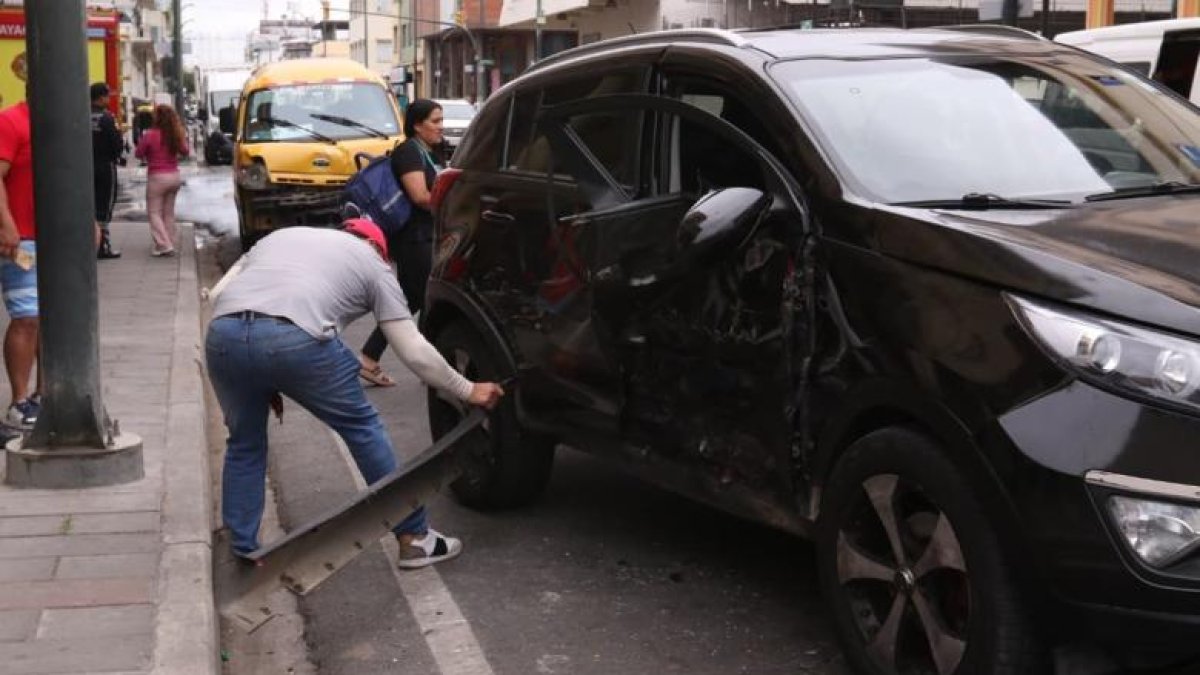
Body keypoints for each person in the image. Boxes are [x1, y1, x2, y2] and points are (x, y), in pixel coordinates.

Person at [205, 221, 504, 566]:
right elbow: (413, 350)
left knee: (244, 444)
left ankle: (242, 553)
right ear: (378, 249)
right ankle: (414, 537)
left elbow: (217, 294)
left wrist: (256, 365)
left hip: (224, 336)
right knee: (363, 427)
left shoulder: (280, 236)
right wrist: (468, 389)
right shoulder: (373, 265)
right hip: (293, 337)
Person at [358, 99, 444, 387]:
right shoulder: (409, 152)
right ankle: (427, 365)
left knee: (412, 299)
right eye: (435, 121)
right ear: (418, 125)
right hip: (413, 238)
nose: (441, 127)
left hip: (426, 236)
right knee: (421, 298)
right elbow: (420, 196)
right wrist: (453, 202)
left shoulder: (428, 151)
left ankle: (372, 358)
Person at [0, 100, 39, 430]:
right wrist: (7, 224)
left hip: (58, 242)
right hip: (21, 239)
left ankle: (45, 393)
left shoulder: (63, 123)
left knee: (51, 320)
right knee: (27, 316)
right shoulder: (11, 122)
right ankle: (19, 400)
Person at [135, 104, 189, 257]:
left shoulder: (150, 135)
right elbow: (185, 151)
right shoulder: (175, 134)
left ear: (157, 118)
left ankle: (164, 245)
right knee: (168, 213)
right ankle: (169, 241)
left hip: (157, 177)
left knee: (154, 213)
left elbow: (138, 153)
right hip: (174, 176)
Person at [91, 82, 123, 260]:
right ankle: (103, 245)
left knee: (89, 205)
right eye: (107, 96)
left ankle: (90, 242)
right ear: (101, 97)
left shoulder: (81, 114)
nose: (108, 99)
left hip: (85, 166)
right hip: (105, 166)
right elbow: (116, 144)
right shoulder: (107, 118)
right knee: (104, 206)